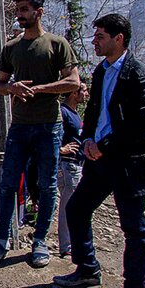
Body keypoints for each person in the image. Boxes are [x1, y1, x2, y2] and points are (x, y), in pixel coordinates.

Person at [54, 14, 145, 288]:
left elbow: (141, 124)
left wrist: (104, 145)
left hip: (128, 161)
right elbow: (94, 112)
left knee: (133, 225)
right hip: (99, 158)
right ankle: (87, 270)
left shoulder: (139, 74)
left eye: (100, 37)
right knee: (77, 208)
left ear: (118, 38)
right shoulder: (102, 71)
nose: (94, 42)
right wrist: (87, 141)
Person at [0, 0, 80, 269]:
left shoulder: (57, 44)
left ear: (39, 12)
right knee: (9, 183)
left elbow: (73, 82)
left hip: (49, 125)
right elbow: (0, 85)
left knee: (47, 185)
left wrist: (38, 89)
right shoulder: (12, 47)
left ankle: (40, 241)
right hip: (19, 126)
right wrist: (11, 87)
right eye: (18, 10)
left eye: (25, 10)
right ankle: (1, 240)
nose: (20, 15)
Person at [56, 81, 88, 257]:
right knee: (68, 206)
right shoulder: (63, 112)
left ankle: (72, 242)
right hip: (68, 165)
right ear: (73, 93)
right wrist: (61, 150)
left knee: (75, 205)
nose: (86, 93)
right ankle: (66, 245)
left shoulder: (74, 114)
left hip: (76, 164)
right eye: (83, 90)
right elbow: (52, 135)